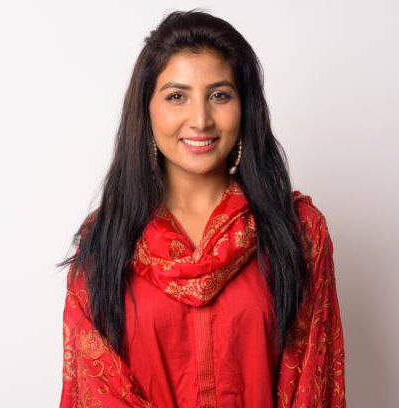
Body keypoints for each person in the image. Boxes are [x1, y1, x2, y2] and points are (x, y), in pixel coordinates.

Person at [58, 9, 345, 407]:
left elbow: (315, 385)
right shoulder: (105, 241)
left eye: (219, 95)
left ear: (245, 107)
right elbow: (96, 390)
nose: (200, 119)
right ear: (147, 110)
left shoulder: (298, 232)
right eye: (177, 96)